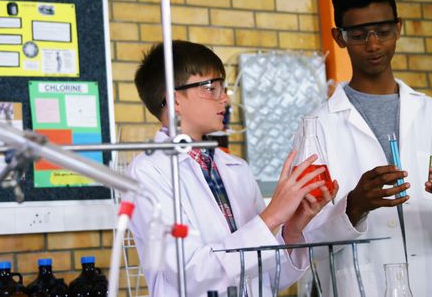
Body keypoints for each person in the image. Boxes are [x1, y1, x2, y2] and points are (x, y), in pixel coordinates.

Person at [301, 0, 432, 296]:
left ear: (399, 28)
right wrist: (355, 205)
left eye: (383, 31)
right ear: (340, 37)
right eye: (360, 34)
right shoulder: (318, 127)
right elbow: (303, 236)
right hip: (365, 288)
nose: (374, 44)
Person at [125, 40, 338, 296]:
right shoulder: (148, 172)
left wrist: (291, 229)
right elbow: (190, 273)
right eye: (211, 88)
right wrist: (271, 217)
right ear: (174, 100)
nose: (225, 99)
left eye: (223, 88)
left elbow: (269, 277)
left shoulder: (236, 169)